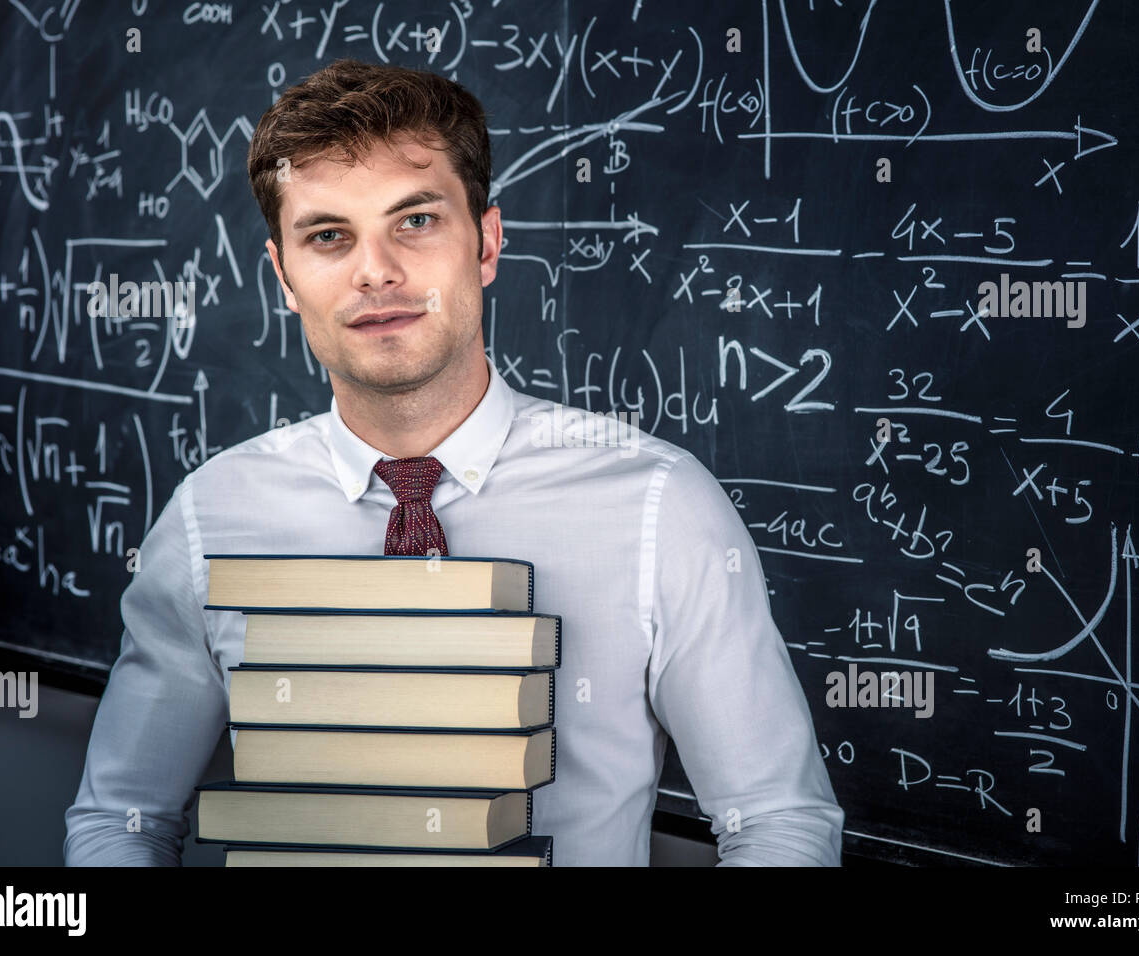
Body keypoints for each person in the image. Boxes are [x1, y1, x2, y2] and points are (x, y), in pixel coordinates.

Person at [63, 58, 844, 866]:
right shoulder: (208, 518)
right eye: (329, 236)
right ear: (284, 279)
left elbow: (778, 824)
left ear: (488, 244)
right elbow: (122, 818)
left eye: (417, 220)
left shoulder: (660, 506)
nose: (376, 271)